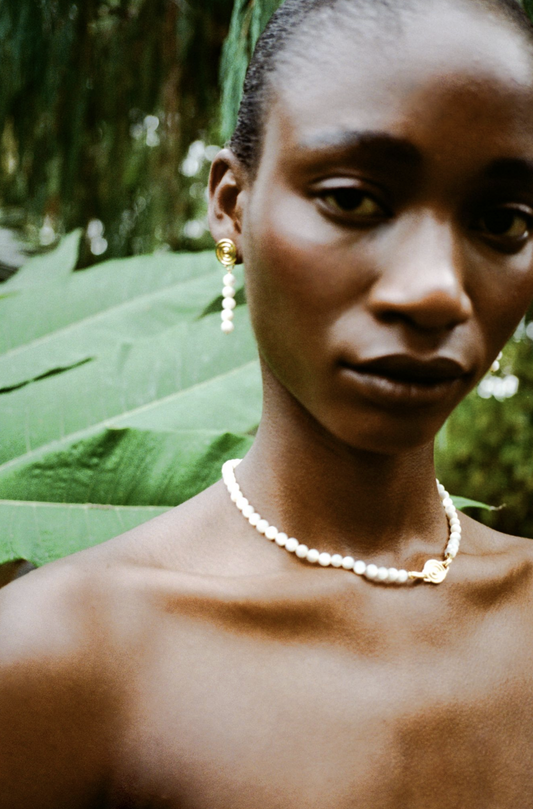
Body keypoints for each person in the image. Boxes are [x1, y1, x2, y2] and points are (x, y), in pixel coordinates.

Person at [2, 0, 533, 805]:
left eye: (502, 221)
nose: (435, 290)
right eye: (353, 198)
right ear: (231, 205)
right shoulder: (63, 655)